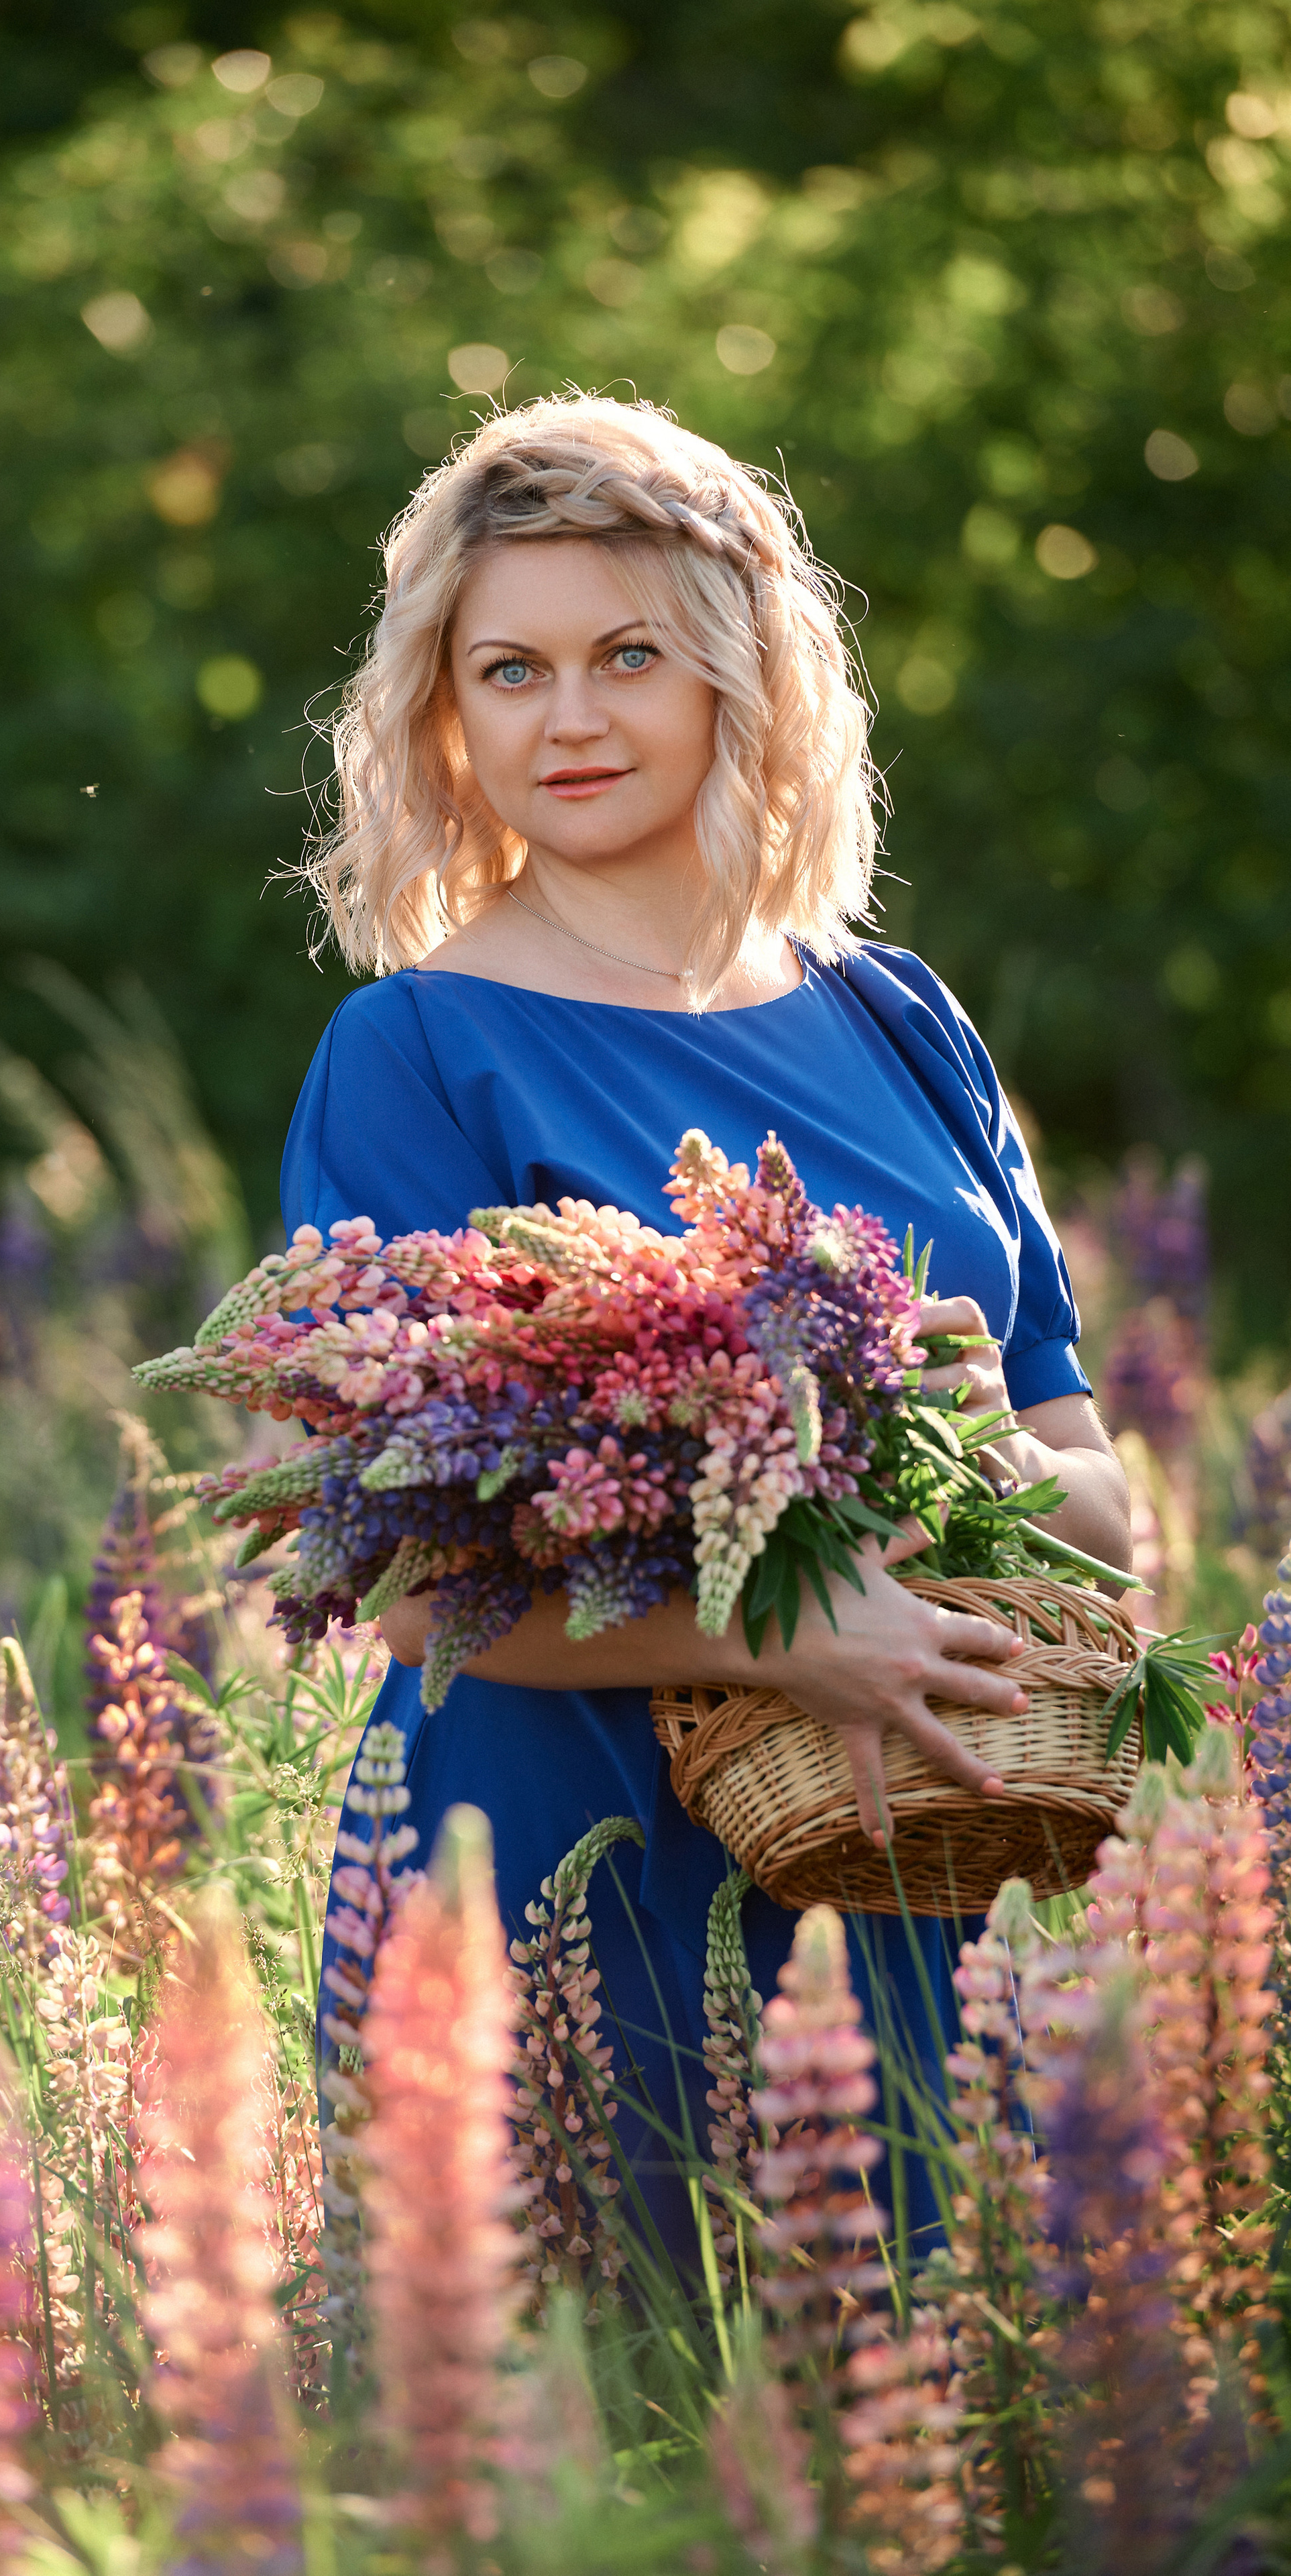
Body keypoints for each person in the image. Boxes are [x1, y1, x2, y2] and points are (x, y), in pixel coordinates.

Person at [280, 394, 1131, 2263]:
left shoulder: (904, 1019)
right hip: (567, 1881)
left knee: (910, 2440)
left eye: (627, 657)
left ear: (738, 674)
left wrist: (967, 1465)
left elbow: (1105, 1504)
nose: (568, 718)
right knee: (608, 2436)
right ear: (446, 709)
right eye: (509, 669)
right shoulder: (418, 1049)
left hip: (904, 1858)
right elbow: (406, 1576)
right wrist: (777, 1618)